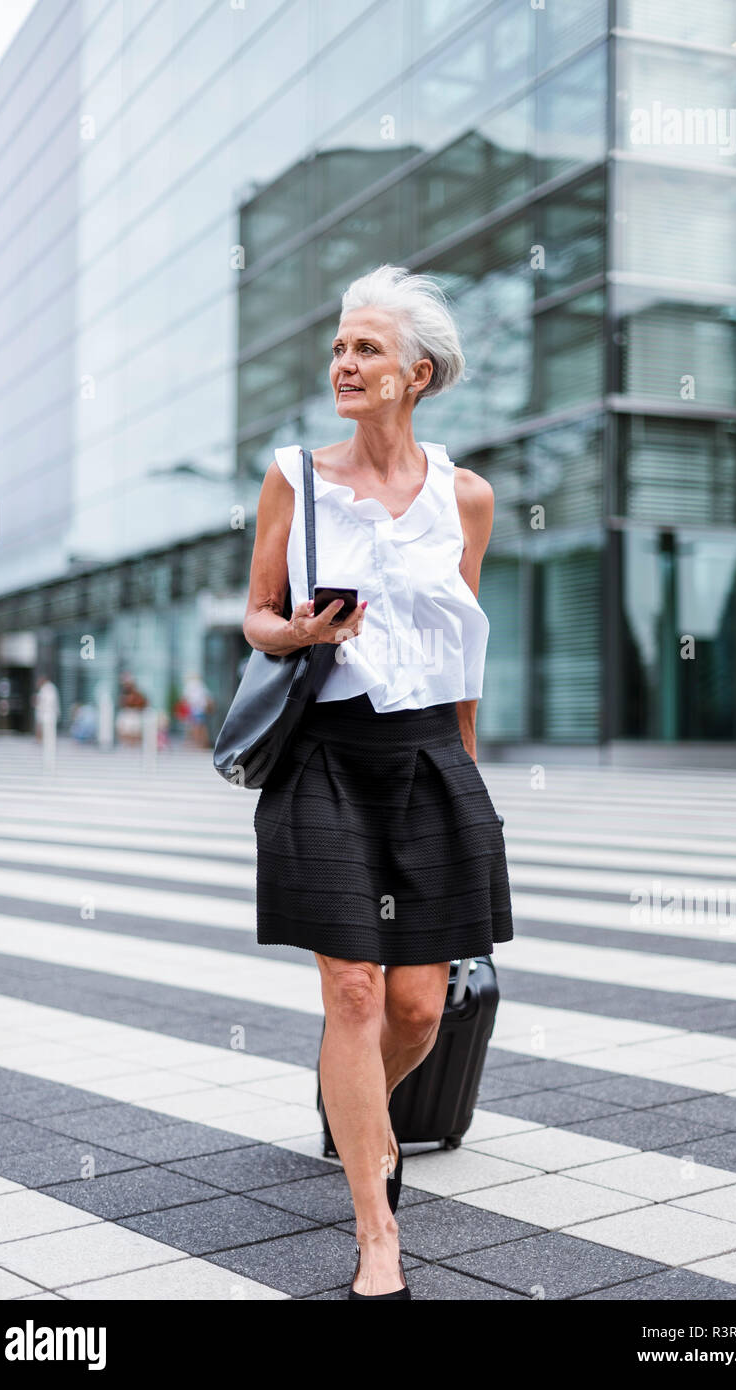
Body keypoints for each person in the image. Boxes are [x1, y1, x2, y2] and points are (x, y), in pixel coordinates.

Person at [243, 264, 513, 1300]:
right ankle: (377, 1232)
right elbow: (257, 611)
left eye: (365, 349)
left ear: (418, 373)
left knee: (416, 1011)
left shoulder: (468, 498)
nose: (342, 363)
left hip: (430, 756)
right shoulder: (295, 478)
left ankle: (354, 1109)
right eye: (339, 345)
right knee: (352, 989)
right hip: (324, 752)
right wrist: (297, 629)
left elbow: (467, 643)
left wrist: (471, 775)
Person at [33, 674, 60, 740]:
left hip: (48, 715)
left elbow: (48, 703)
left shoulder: (49, 688)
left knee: (49, 734)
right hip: (46, 715)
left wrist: (38, 702)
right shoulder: (44, 689)